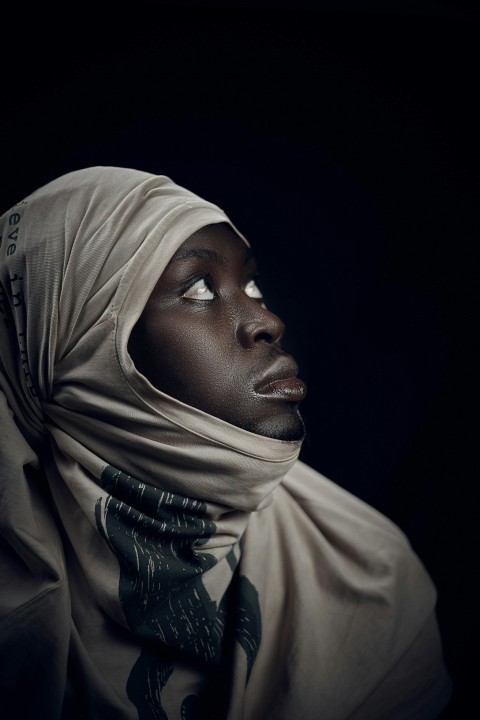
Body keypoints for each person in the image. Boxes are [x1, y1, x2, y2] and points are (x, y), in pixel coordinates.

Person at [0, 167, 451, 720]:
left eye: (253, 285)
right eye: (197, 289)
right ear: (69, 349)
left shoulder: (371, 583)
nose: (266, 321)